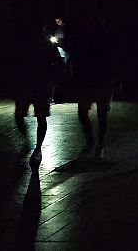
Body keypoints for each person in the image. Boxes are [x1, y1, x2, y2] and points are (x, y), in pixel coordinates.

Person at [14, 19, 67, 166]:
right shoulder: (42, 44)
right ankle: (35, 146)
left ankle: (36, 147)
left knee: (33, 116)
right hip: (36, 84)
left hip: (38, 84)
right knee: (34, 116)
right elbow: (59, 65)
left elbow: (58, 65)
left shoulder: (41, 45)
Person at [69, 18, 116, 158]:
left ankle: (92, 140)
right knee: (101, 115)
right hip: (100, 82)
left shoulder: (86, 42)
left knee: (85, 113)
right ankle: (97, 141)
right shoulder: (105, 42)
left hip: (91, 82)